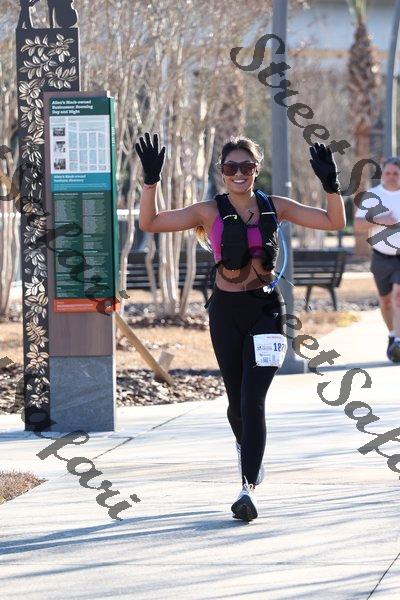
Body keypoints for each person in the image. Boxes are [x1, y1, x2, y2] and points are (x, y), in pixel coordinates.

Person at [136, 132, 346, 522]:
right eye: (231, 167)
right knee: (236, 403)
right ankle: (249, 452)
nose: (239, 173)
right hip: (225, 311)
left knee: (253, 401)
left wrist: (331, 185)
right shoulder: (207, 212)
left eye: (246, 167)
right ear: (222, 171)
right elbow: (150, 222)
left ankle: (246, 488)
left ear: (256, 170)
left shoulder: (275, 207)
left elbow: (334, 221)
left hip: (266, 310)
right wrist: (151, 181)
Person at [354, 157, 400, 363]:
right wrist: (381, 220)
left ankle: (398, 341)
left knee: (398, 297)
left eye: (396, 173)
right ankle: (392, 335)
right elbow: (358, 225)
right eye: (388, 173)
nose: (391, 177)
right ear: (382, 174)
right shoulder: (373, 196)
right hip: (381, 257)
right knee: (386, 301)